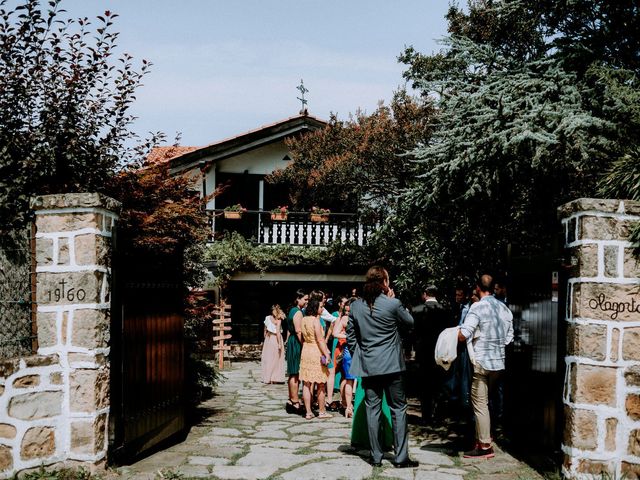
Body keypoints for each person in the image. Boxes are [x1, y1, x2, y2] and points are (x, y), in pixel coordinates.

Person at [347, 266, 418, 468]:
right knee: (398, 409)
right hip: (393, 366)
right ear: (385, 282)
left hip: (369, 366)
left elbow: (351, 337)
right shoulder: (393, 304)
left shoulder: (356, 306)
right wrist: (394, 300)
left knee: (373, 410)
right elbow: (410, 322)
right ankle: (401, 457)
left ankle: (376, 457)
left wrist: (360, 356)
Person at [458, 274, 514, 459]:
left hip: (481, 361)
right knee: (489, 400)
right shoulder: (504, 309)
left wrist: (456, 334)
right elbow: (509, 337)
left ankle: (484, 446)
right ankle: (485, 435)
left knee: (479, 403)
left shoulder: (477, 307)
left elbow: (464, 334)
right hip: (498, 361)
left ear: (477, 288)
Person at [412, 285, 450, 425]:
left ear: (425, 294)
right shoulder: (444, 310)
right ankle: (439, 416)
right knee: (439, 383)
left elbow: (413, 331)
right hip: (440, 351)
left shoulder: (416, 310)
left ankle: (426, 416)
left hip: (423, 352)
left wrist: (410, 348)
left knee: (424, 384)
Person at [299, 293, 332, 420]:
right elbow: (320, 340)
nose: (322, 309)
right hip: (316, 351)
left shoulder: (304, 319)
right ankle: (322, 411)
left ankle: (308, 412)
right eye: (321, 307)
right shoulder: (316, 321)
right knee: (321, 383)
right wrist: (326, 354)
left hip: (306, 350)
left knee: (306, 384)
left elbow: (302, 337)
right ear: (315, 308)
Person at [284, 289, 307, 414]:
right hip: (296, 343)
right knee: (295, 373)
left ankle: (292, 399)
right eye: (305, 299)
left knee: (293, 372)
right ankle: (295, 401)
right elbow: (298, 331)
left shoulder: (293, 310)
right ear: (298, 299)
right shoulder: (297, 312)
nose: (306, 302)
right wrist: (304, 345)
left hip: (293, 341)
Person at [332, 297, 356, 417]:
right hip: (355, 351)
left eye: (348, 310)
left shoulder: (345, 319)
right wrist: (350, 336)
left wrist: (346, 335)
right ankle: (349, 406)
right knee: (350, 380)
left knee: (348, 380)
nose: (347, 313)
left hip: (348, 351)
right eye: (346, 311)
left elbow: (335, 333)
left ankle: (347, 406)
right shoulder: (358, 318)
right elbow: (335, 334)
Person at [260, 304, 285, 384]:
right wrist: (279, 344)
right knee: (276, 358)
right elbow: (277, 332)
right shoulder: (279, 320)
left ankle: (268, 377)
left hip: (269, 338)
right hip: (275, 338)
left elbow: (265, 329)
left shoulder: (267, 318)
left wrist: (265, 337)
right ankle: (274, 377)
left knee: (269, 358)